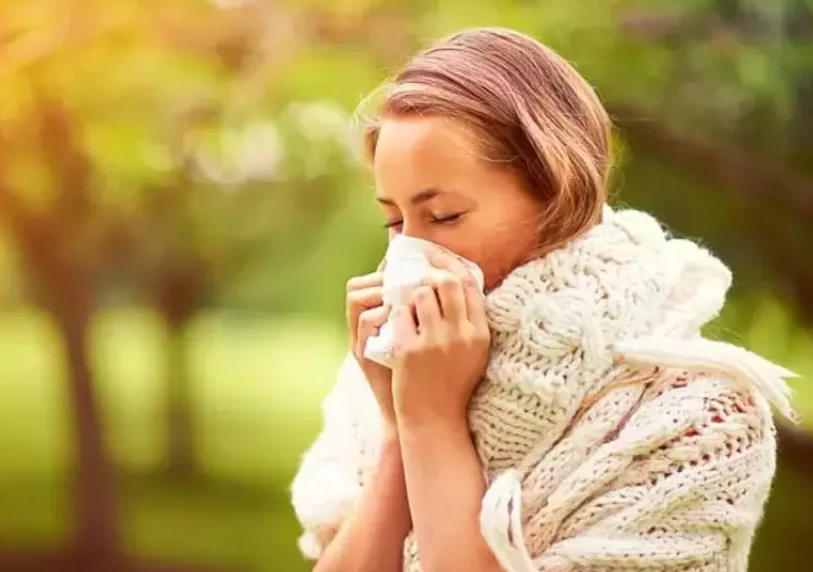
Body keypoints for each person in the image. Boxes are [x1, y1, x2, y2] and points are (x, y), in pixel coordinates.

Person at [290, 27, 796, 572]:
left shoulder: (698, 417)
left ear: (558, 193)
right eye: (395, 220)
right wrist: (399, 428)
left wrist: (435, 424)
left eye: (444, 217)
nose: (407, 255)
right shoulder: (383, 382)